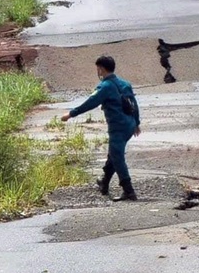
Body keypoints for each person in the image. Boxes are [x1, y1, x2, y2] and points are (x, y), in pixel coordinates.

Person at [60, 56, 141, 201]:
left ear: (101, 69)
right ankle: (104, 183)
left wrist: (71, 114)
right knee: (114, 154)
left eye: (98, 68)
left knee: (117, 157)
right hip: (129, 125)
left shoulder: (105, 87)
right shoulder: (125, 83)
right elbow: (134, 103)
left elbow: (90, 103)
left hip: (117, 127)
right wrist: (136, 123)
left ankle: (129, 190)